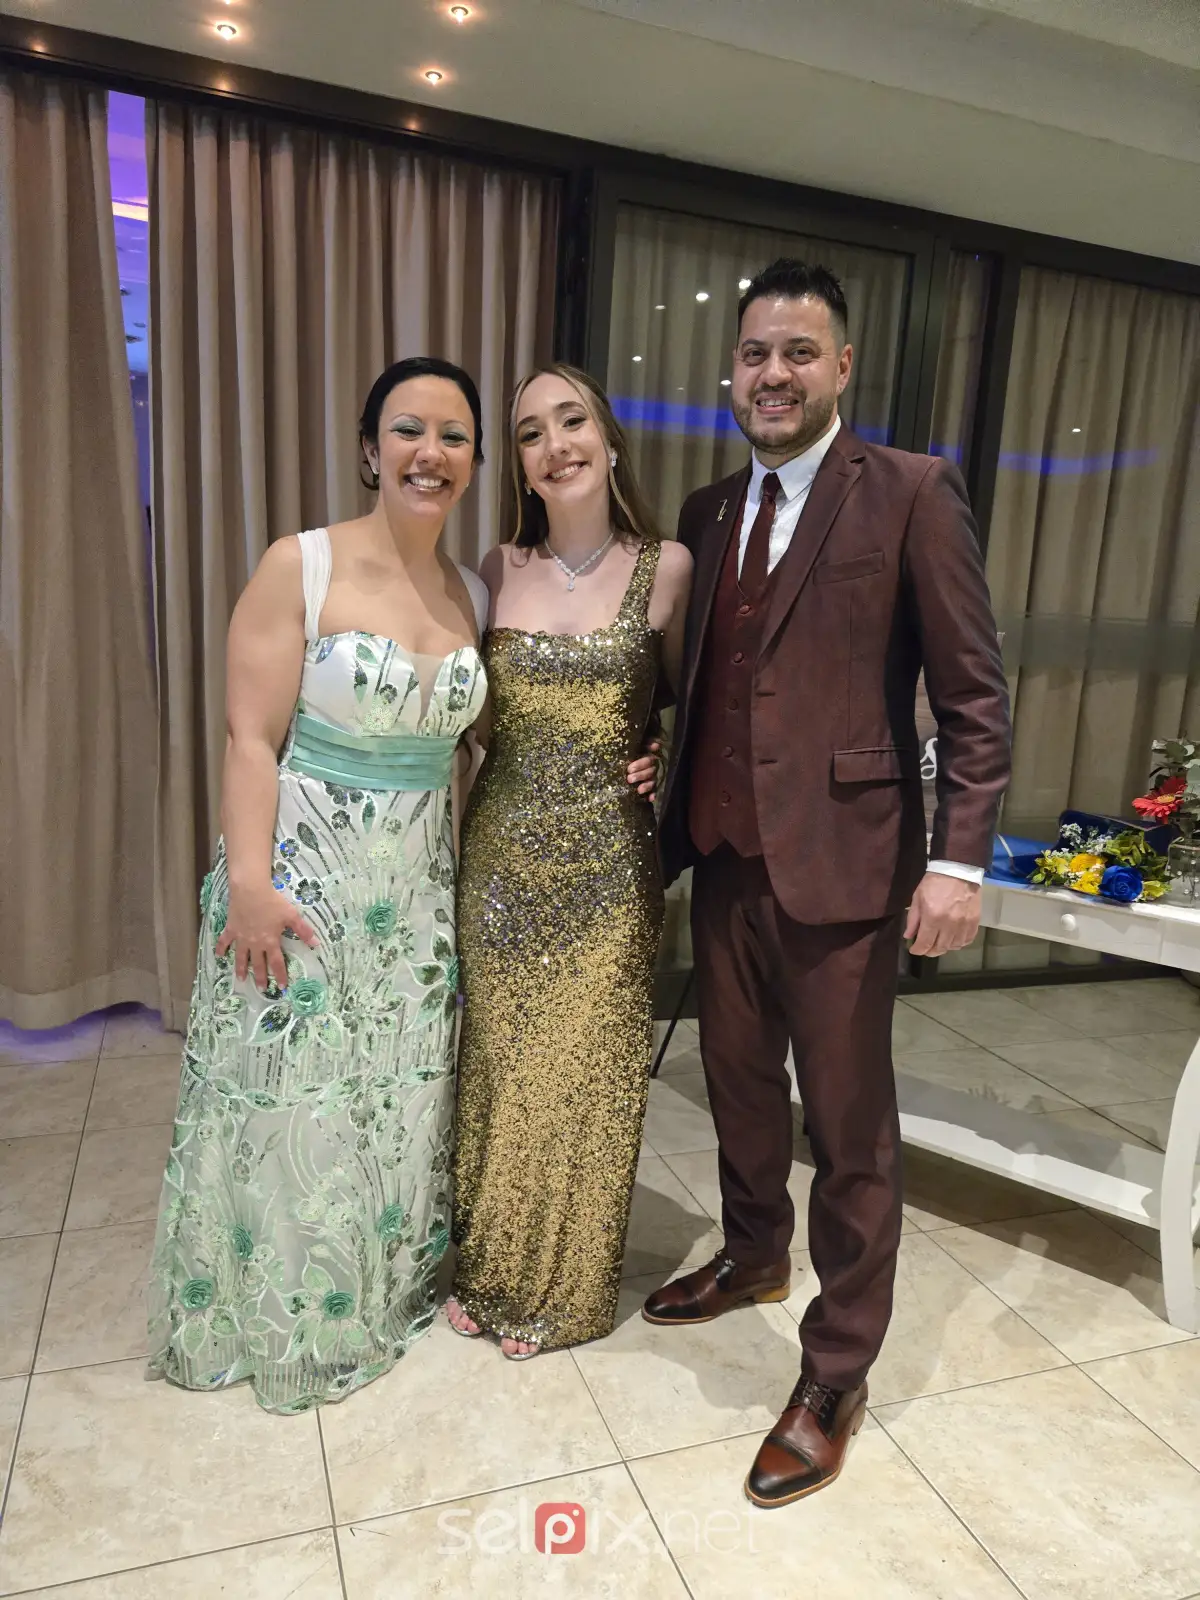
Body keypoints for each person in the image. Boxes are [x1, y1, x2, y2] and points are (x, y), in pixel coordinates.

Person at [641, 260, 1010, 1506]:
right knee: (739, 1088)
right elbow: (713, 679)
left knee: (849, 1132)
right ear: (732, 370)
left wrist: (957, 858)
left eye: (799, 352)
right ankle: (754, 1254)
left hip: (848, 868)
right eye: (755, 352)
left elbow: (974, 695)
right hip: (725, 856)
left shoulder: (909, 492)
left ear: (842, 367)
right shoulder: (707, 511)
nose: (774, 373)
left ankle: (836, 1371)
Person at [148, 357, 489, 1413]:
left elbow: (473, 749)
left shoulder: (472, 590)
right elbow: (249, 736)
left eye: (454, 436)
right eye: (408, 430)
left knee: (393, 1099)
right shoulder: (299, 563)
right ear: (371, 449)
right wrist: (248, 883)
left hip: (416, 898)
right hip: (299, 880)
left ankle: (374, 1293)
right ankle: (288, 1320)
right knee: (294, 1103)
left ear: (474, 462)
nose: (430, 453)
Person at [446, 364, 693, 1358]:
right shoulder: (494, 568)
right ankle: (488, 1268)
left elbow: (703, 709)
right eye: (530, 433)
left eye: (572, 420)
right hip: (501, 861)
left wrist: (664, 755)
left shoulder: (668, 567)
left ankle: (566, 1290)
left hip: (610, 873)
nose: (555, 445)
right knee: (502, 1067)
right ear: (519, 464)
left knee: (587, 1077)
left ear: (609, 439)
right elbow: (473, 720)